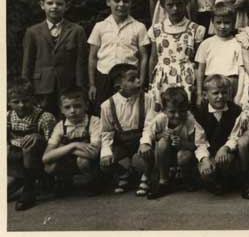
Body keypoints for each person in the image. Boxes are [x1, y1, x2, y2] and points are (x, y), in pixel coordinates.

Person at [22, 0, 87, 117]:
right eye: (50, 3)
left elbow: (81, 62)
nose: (54, 7)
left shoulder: (76, 30)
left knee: (67, 117)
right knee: (44, 116)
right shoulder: (33, 31)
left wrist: (80, 88)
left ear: (66, 6)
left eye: (59, 4)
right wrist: (26, 86)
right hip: (41, 84)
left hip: (68, 84)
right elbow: (27, 61)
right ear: (42, 5)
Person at [140, 87, 212, 199]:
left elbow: (199, 144)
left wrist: (183, 144)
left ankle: (187, 178)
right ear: (164, 110)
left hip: (185, 155)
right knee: (162, 142)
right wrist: (146, 143)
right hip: (165, 156)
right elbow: (148, 131)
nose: (177, 115)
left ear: (187, 109)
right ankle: (163, 181)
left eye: (181, 111)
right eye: (172, 112)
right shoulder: (161, 118)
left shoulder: (190, 120)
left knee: (183, 155)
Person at [88, 0, 149, 113]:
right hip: (104, 77)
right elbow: (92, 57)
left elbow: (144, 57)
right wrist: (92, 84)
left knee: (128, 112)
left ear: (131, 3)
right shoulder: (100, 26)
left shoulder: (139, 27)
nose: (121, 4)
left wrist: (142, 81)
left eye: (125, 1)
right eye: (117, 0)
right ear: (108, 2)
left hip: (129, 78)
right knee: (103, 112)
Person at [99, 64, 156, 196]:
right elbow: (107, 132)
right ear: (118, 86)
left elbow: (149, 124)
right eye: (132, 79)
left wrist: (145, 142)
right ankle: (124, 173)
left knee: (142, 158)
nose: (138, 81)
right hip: (122, 143)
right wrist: (106, 152)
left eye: (138, 77)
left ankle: (145, 176)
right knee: (105, 163)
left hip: (140, 140)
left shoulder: (148, 99)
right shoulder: (107, 105)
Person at [146, 0, 206, 104]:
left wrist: (199, 87)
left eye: (179, 4)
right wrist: (150, 83)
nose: (175, 9)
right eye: (170, 5)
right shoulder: (157, 29)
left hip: (186, 77)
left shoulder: (195, 29)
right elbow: (153, 58)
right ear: (163, 6)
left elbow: (199, 61)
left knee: (184, 109)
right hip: (162, 77)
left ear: (186, 4)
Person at [42, 87, 102, 197]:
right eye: (67, 107)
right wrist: (73, 145)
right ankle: (65, 181)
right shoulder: (60, 126)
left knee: (83, 161)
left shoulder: (94, 121)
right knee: (50, 166)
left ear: (86, 106)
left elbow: (93, 153)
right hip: (70, 160)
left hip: (91, 162)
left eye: (77, 106)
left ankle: (94, 180)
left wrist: (63, 148)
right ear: (61, 109)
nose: (73, 111)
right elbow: (46, 157)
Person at [7, 78, 56, 211]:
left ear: (33, 99)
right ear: (8, 102)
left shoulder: (45, 117)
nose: (21, 105)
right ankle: (23, 179)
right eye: (16, 102)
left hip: (37, 158)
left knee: (29, 147)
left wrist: (38, 137)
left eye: (26, 100)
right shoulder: (7, 117)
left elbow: (54, 145)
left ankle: (29, 189)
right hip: (16, 162)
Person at [192, 75, 242, 195]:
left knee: (225, 160)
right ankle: (210, 181)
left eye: (224, 93)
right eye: (215, 93)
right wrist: (204, 159)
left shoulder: (235, 110)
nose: (220, 96)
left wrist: (226, 148)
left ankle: (226, 181)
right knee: (206, 171)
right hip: (209, 151)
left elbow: (235, 135)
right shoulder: (200, 113)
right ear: (205, 95)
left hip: (226, 152)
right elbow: (200, 141)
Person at [194, 2, 245, 107]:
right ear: (212, 22)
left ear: (234, 22)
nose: (222, 26)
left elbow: (241, 70)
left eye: (227, 22)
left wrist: (239, 94)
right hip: (211, 85)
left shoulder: (238, 43)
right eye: (218, 22)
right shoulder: (206, 43)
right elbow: (200, 70)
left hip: (230, 85)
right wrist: (199, 93)